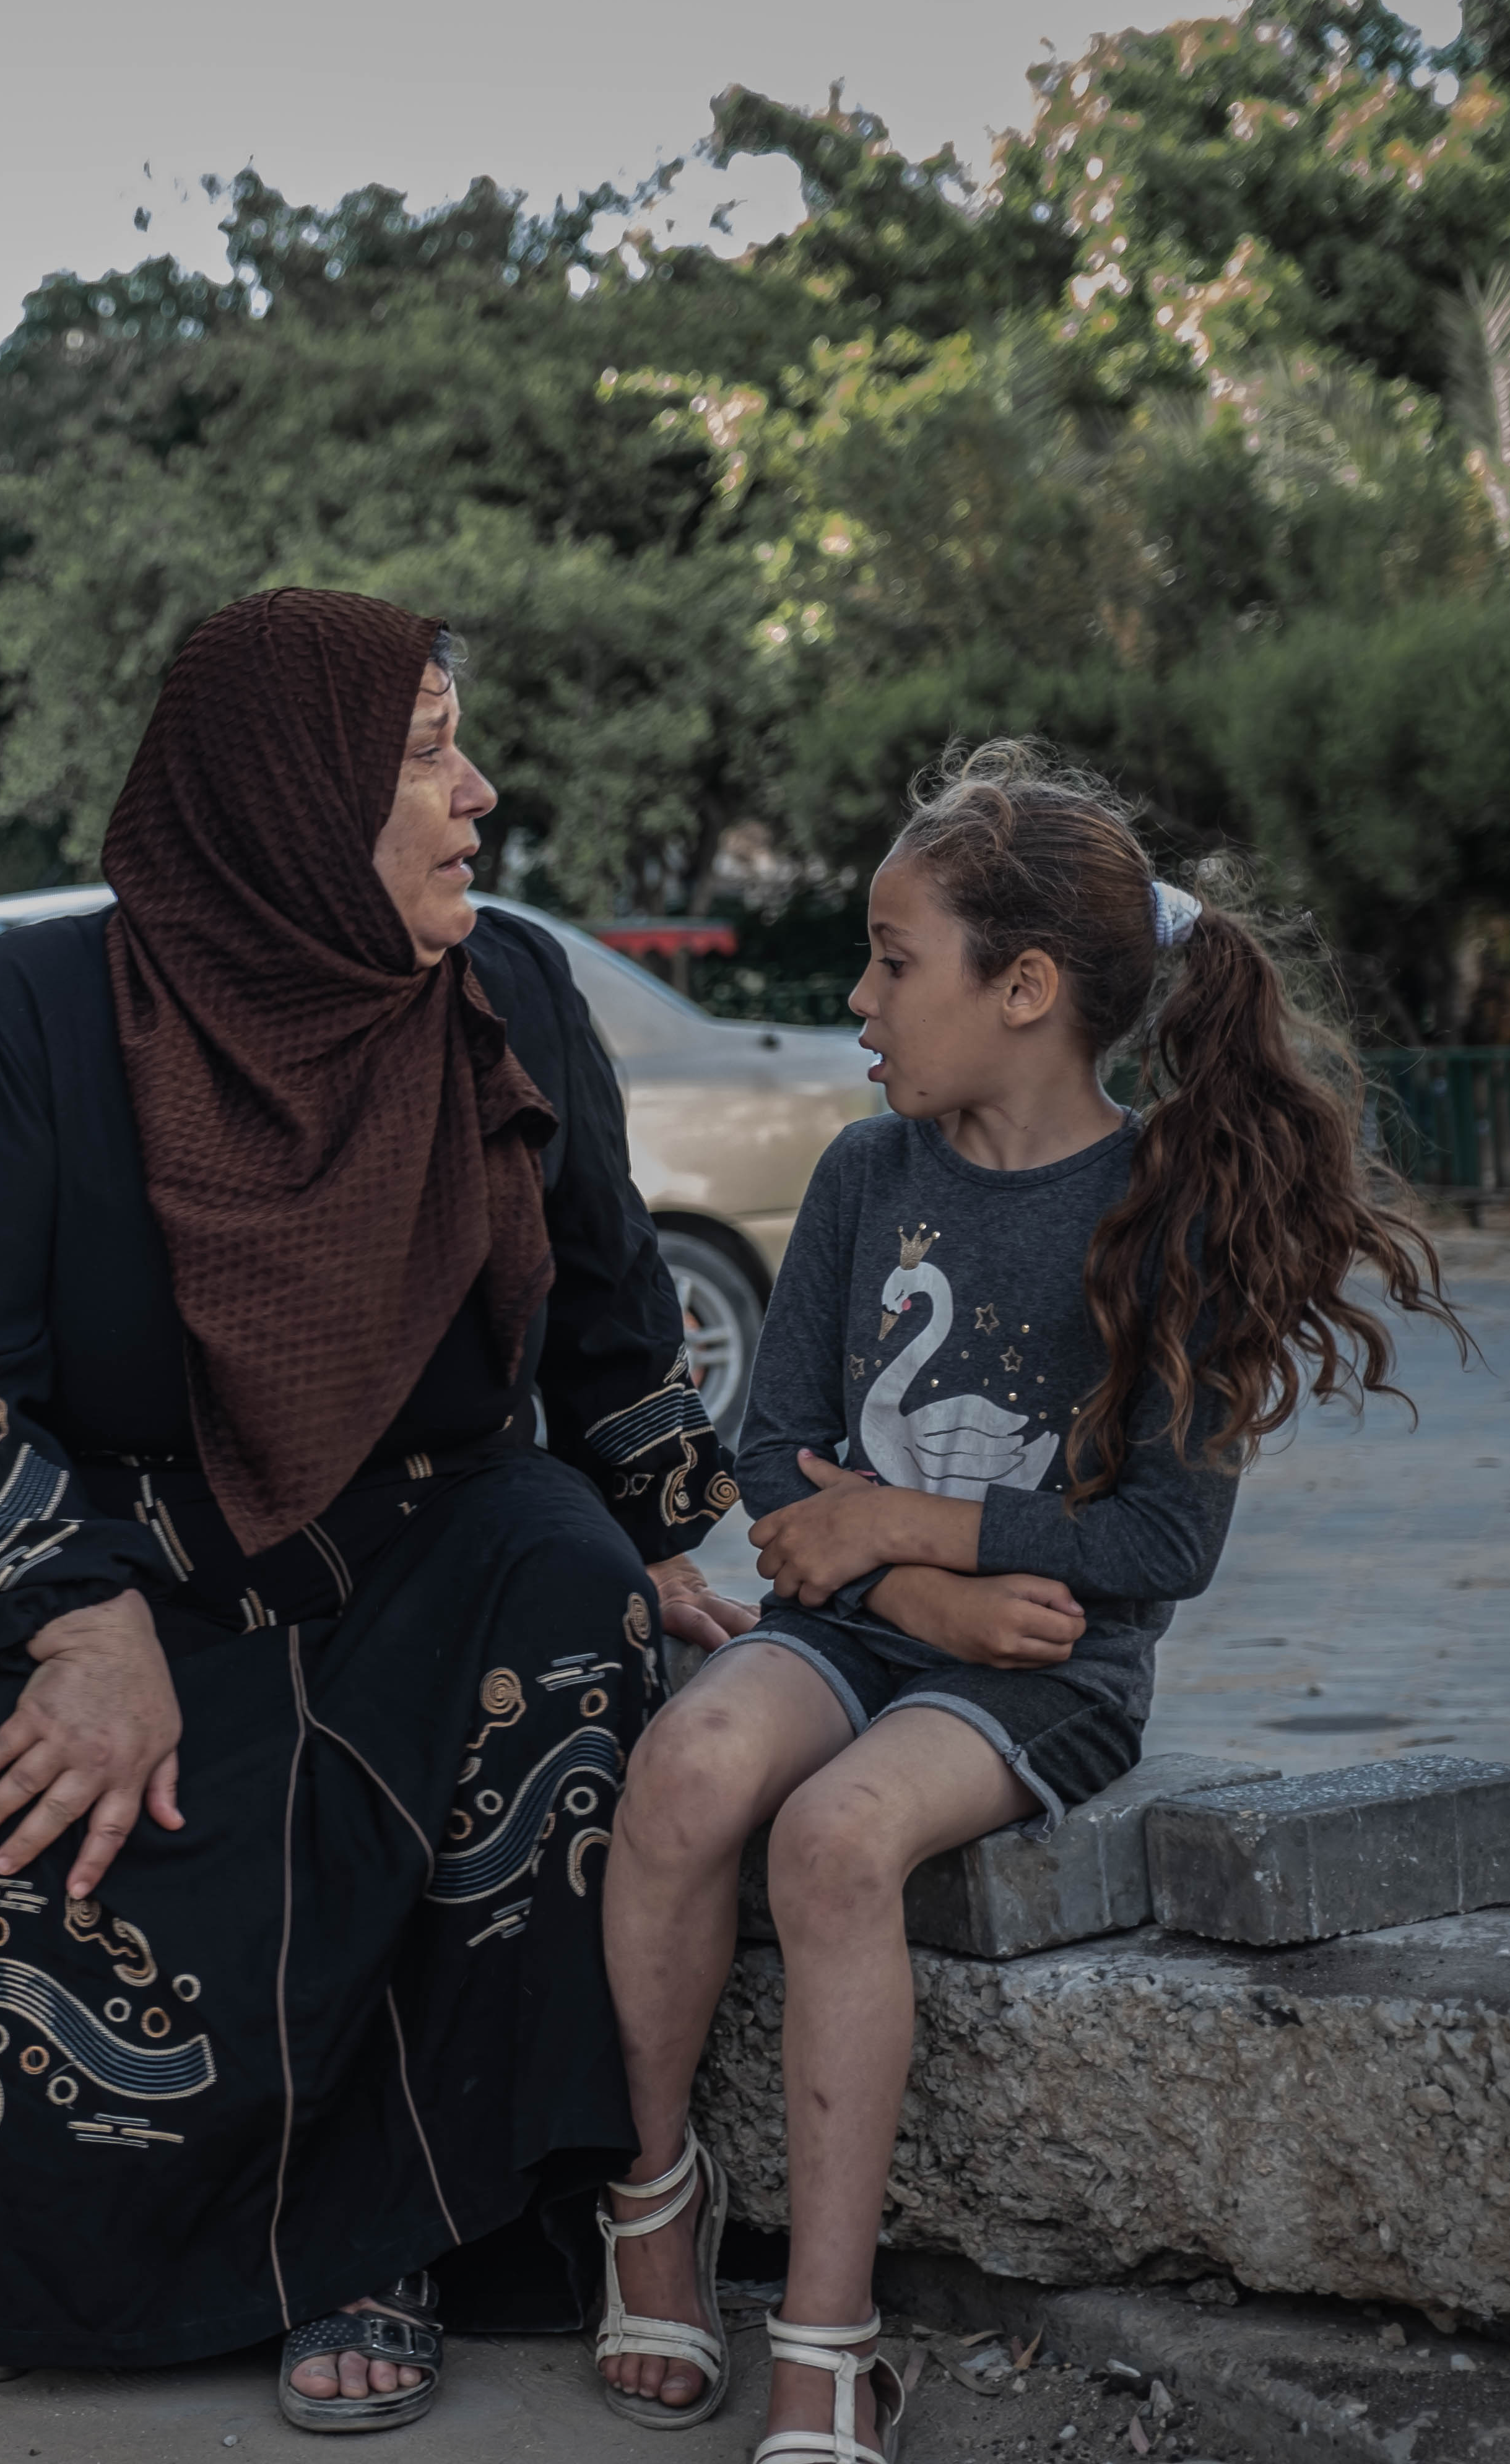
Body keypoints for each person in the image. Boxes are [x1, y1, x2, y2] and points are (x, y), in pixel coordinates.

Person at [0, 590, 756, 2433]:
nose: (476, 794)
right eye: (422, 752)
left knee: (562, 1591)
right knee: (46, 1773)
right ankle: (52, 2244)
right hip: (114, 1562)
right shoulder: (24, 1023)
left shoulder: (508, 994)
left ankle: (378, 2238)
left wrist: (657, 1524)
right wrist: (76, 1622)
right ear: (284, 792)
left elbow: (601, 1303)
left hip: (419, 1543)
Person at [592, 743, 1464, 2464]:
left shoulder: (1168, 1216)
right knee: (688, 1772)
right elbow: (771, 1458)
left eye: (892, 961)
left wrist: (912, 1534)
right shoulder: (864, 1180)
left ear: (1026, 989)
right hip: (889, 1621)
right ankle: (652, 2201)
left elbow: (1158, 1547)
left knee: (835, 1844)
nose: (857, 997)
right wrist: (913, 1583)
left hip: (1041, 1672)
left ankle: (829, 2340)